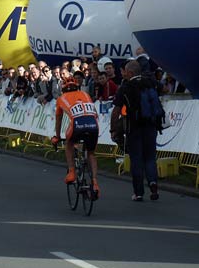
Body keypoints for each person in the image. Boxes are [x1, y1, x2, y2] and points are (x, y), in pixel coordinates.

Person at [110, 60, 159, 202]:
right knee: (150, 158)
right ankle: (153, 183)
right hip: (150, 125)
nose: (123, 73)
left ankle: (138, 193)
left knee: (136, 159)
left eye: (125, 71)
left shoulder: (126, 87)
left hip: (133, 127)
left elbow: (116, 111)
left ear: (130, 73)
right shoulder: (150, 83)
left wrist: (114, 129)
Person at [51, 76, 101, 198]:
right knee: (91, 153)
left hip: (77, 125)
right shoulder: (85, 94)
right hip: (93, 125)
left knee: (68, 143)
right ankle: (94, 183)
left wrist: (57, 137)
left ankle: (72, 171)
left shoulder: (61, 98)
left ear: (63, 90)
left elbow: (58, 121)